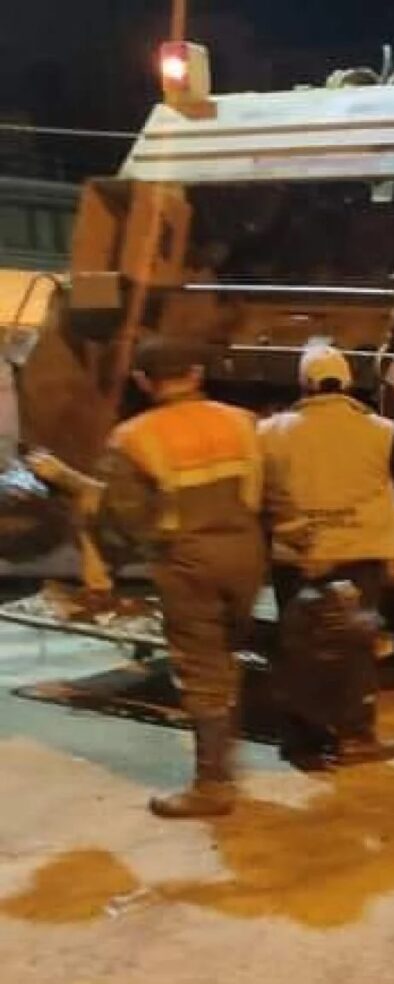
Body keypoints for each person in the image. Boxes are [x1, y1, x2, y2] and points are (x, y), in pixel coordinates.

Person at [28, 337, 265, 819]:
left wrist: (109, 554)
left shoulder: (135, 436)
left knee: (201, 667)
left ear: (142, 380)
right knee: (227, 654)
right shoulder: (243, 422)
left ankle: (213, 786)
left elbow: (125, 517)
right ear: (196, 373)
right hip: (246, 553)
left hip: (189, 560)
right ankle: (226, 762)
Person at [259, 344, 394, 770]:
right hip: (358, 554)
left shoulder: (269, 432)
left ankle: (303, 743)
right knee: (355, 649)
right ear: (349, 382)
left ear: (303, 383)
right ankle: (355, 738)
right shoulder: (379, 431)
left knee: (299, 648)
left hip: (296, 557)